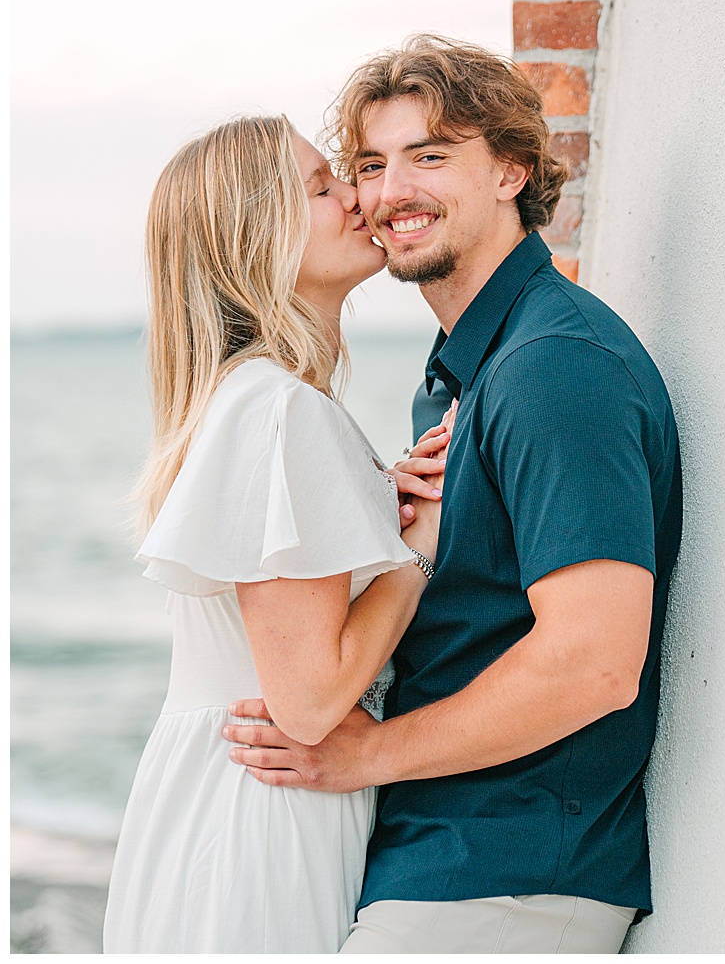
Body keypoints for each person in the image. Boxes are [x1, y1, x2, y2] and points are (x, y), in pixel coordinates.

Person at [222, 35, 683, 954]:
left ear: (512, 169)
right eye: (371, 165)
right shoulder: (464, 372)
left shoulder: (552, 368)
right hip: (440, 865)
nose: (392, 192)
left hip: (506, 880)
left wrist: (363, 755)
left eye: (430, 156)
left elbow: (595, 662)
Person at [103, 115, 447, 952]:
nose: (357, 198)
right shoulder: (281, 409)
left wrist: (372, 499)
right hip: (261, 816)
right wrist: (416, 554)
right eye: (322, 187)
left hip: (217, 804)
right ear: (257, 239)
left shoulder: (256, 401)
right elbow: (308, 699)